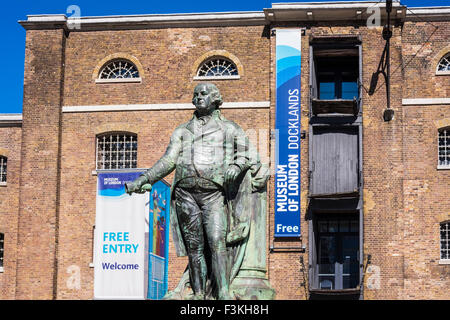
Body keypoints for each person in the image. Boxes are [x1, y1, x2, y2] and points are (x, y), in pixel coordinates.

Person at [125, 83, 252, 300]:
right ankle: (199, 294)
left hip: (213, 194)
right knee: (195, 247)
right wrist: (144, 179)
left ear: (215, 98)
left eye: (204, 94)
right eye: (196, 94)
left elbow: (246, 154)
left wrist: (237, 166)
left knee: (216, 241)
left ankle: (223, 292)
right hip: (186, 194)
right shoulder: (182, 131)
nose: (199, 97)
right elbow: (168, 160)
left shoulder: (229, 128)